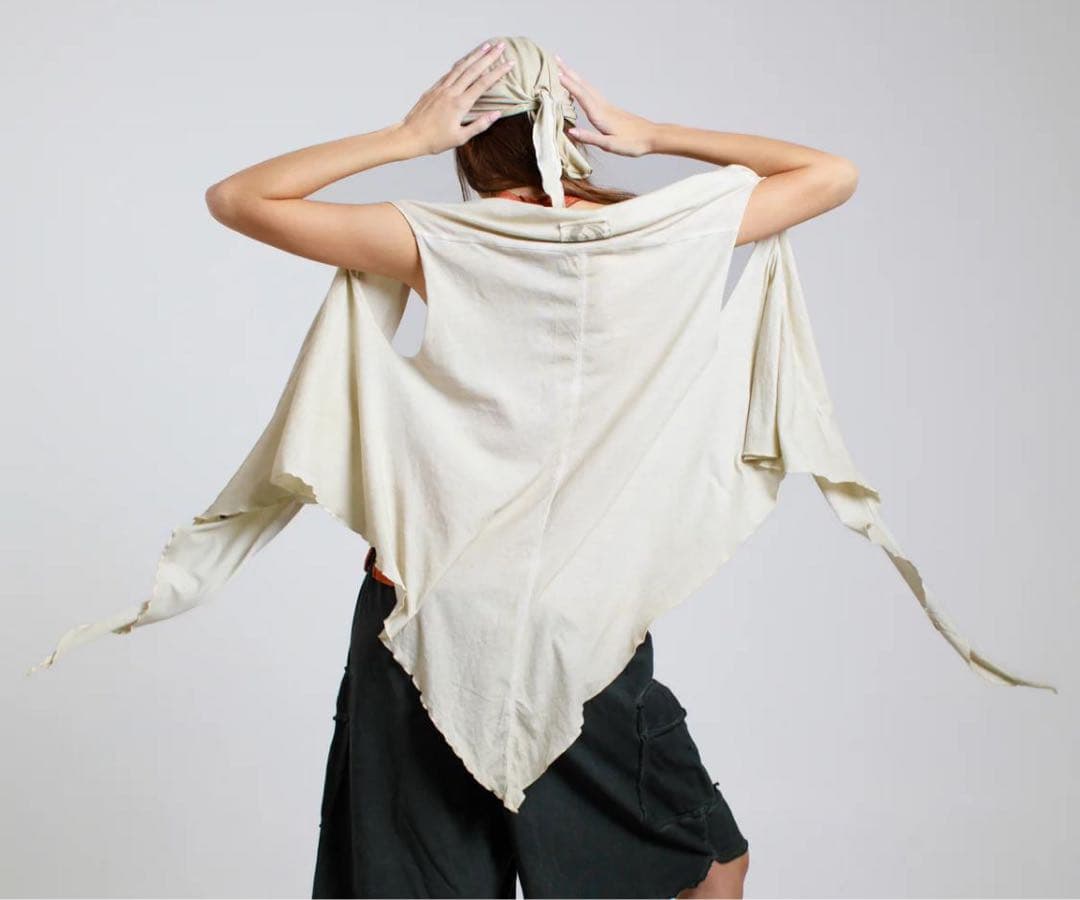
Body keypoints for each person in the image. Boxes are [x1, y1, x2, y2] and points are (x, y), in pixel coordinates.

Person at [203, 35, 860, 900]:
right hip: (575, 625)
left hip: (423, 613)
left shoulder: (435, 238)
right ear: (570, 127)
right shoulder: (661, 233)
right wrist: (653, 135)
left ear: (469, 142)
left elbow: (238, 198)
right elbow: (829, 174)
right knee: (704, 865)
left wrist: (404, 139)